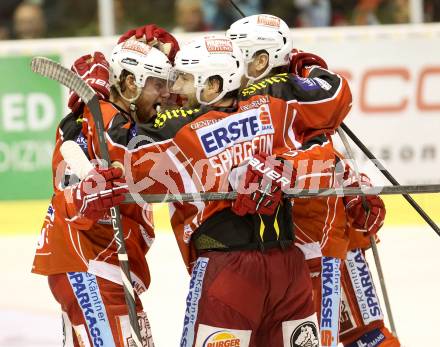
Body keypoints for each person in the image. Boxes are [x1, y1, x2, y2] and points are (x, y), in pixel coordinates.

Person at [100, 28, 352, 345]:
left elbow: (116, 147)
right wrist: (299, 69)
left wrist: (104, 98)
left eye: (185, 79)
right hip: (289, 270)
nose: (173, 89)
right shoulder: (272, 106)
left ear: (214, 84)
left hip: (228, 273)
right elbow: (334, 97)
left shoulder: (182, 129)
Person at [226, 13, 400, 347]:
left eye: (239, 54)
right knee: (362, 335)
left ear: (262, 59)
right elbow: (327, 122)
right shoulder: (276, 91)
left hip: (310, 240)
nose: (232, 62)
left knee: (360, 334)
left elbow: (326, 123)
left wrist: (347, 180)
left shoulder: (276, 91)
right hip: (307, 238)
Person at [32, 38, 176, 346]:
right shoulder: (90, 122)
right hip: (91, 266)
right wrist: (86, 194)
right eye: (156, 85)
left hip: (99, 267)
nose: (166, 94)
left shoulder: (121, 122)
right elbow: (70, 187)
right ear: (128, 83)